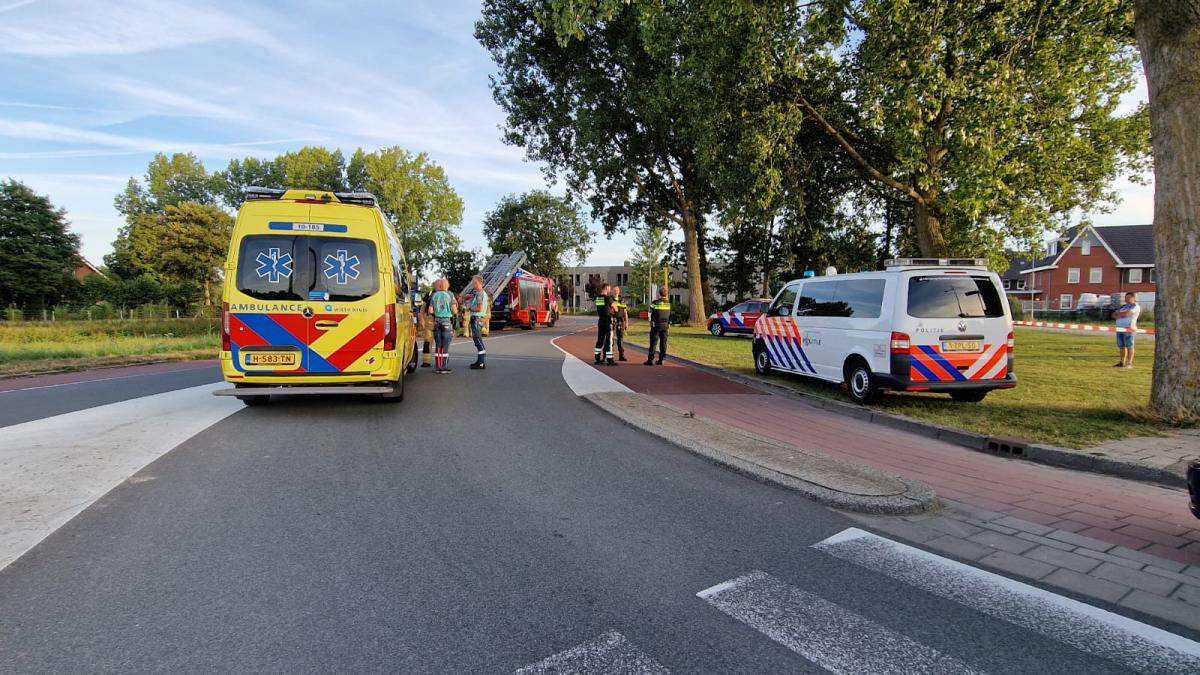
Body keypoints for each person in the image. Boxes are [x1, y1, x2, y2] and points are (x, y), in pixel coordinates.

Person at [427, 278, 458, 373]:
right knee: (445, 345)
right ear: (447, 286)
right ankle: (443, 367)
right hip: (446, 321)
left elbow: (430, 310)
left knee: (438, 345)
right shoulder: (450, 295)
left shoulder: (434, 295)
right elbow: (454, 310)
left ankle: (438, 366)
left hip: (437, 322)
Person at [464, 275, 489, 370]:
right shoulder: (481, 293)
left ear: (480, 283)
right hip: (479, 319)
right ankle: (480, 361)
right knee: (477, 340)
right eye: (472, 283)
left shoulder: (480, 294)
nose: (473, 285)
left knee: (478, 340)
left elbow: (479, 308)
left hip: (477, 319)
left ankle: (481, 362)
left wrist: (469, 308)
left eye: (475, 283)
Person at [1113, 292, 1141, 369]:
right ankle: (1122, 362)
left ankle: (1129, 363)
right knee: (1121, 346)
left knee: (1129, 346)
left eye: (1128, 297)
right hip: (1119, 328)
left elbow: (1127, 314)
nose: (1126, 299)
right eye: (1125, 297)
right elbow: (1113, 315)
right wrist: (1120, 314)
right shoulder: (1123, 306)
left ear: (1134, 298)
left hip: (1129, 328)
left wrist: (1119, 314)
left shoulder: (1135, 306)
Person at [645, 287, 671, 366]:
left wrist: (650, 321)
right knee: (663, 343)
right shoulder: (668, 303)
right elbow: (669, 315)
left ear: (659, 293)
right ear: (667, 294)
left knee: (653, 343)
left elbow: (649, 313)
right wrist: (669, 323)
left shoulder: (654, 303)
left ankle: (650, 360)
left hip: (656, 325)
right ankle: (662, 359)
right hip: (665, 325)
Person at [593, 282, 616, 365]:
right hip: (607, 320)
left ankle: (597, 358)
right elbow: (615, 308)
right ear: (606, 288)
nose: (610, 290)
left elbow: (602, 308)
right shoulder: (608, 298)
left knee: (600, 340)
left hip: (600, 320)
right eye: (609, 288)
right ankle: (610, 360)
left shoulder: (598, 298)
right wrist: (611, 309)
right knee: (609, 341)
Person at [611, 286, 629, 361]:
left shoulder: (622, 301)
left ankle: (621, 355)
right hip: (612, 321)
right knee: (610, 338)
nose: (616, 291)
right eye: (614, 290)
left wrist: (626, 322)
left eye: (617, 290)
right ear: (612, 291)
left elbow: (625, 313)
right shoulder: (610, 300)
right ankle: (610, 355)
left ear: (619, 291)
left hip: (620, 321)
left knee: (620, 338)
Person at [417, 286, 434, 367]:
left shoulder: (446, 294)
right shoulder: (429, 294)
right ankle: (426, 361)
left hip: (442, 319)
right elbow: (423, 307)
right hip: (429, 319)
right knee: (427, 341)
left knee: (441, 343)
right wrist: (422, 319)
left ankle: (441, 362)